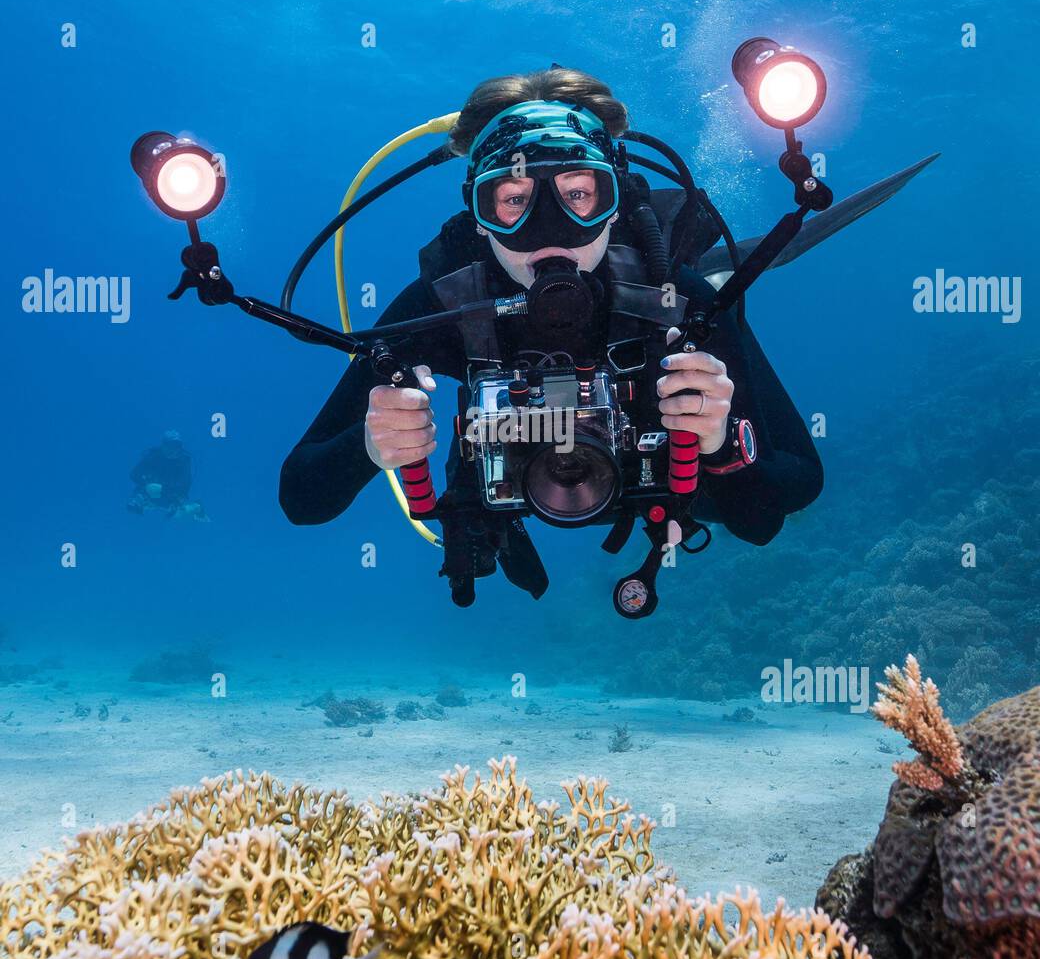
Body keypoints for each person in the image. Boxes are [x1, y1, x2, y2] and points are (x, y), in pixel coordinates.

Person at [279, 67, 822, 598]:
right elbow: (301, 496)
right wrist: (371, 446)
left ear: (614, 205)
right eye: (514, 201)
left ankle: (726, 266)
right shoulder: (446, 304)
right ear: (479, 213)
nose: (549, 232)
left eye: (579, 195)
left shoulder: (675, 302)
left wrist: (721, 442)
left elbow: (774, 506)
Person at [127, 430, 207, 520]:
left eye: (176, 446)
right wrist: (147, 484)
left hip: (172, 493)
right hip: (150, 490)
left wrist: (162, 488)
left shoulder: (183, 461)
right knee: (134, 505)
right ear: (163, 446)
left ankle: (197, 507)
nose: (173, 450)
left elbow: (185, 484)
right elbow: (134, 474)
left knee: (177, 514)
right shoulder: (153, 456)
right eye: (169, 445)